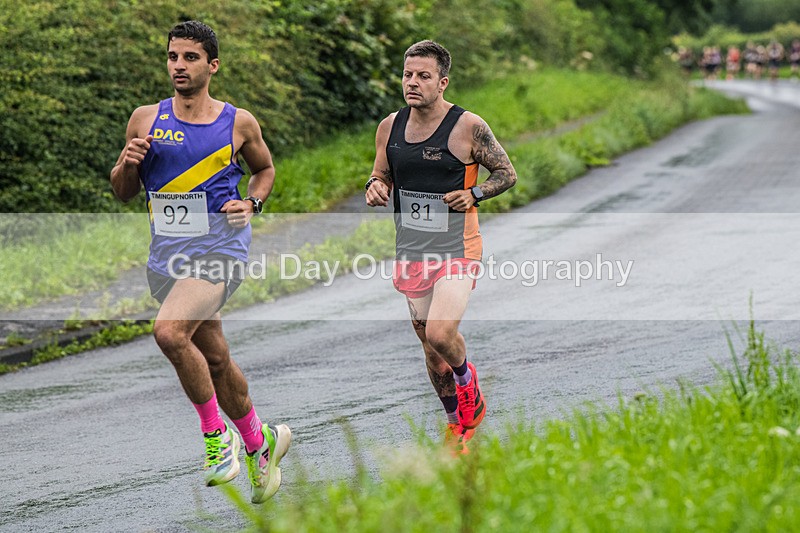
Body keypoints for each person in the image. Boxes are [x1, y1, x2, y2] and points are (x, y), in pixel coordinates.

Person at [109, 20, 290, 503]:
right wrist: (127, 162)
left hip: (220, 250)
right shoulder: (144, 119)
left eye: (190, 57)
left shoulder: (238, 122)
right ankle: (259, 440)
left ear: (213, 65)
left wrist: (252, 203)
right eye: (173, 56)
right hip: (167, 257)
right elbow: (124, 192)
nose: (179, 66)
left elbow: (265, 170)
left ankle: (217, 438)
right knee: (215, 358)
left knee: (170, 333)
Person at [365, 40, 517, 454]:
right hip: (412, 251)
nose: (412, 83)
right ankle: (456, 427)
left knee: (440, 332)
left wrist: (475, 194)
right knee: (432, 353)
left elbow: (506, 173)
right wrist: (375, 186)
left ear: (442, 82)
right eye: (407, 75)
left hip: (458, 248)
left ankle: (468, 383)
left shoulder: (467, 126)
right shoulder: (389, 126)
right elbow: (380, 173)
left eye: (423, 76)